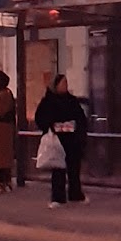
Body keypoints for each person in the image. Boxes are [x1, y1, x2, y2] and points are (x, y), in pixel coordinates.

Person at [34, 73, 89, 207]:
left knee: (74, 168)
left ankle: (75, 194)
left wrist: (78, 130)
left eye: (66, 83)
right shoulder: (48, 101)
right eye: (63, 83)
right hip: (57, 140)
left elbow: (81, 118)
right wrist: (52, 126)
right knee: (58, 169)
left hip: (72, 140)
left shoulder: (71, 100)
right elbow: (40, 119)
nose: (65, 86)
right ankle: (58, 198)